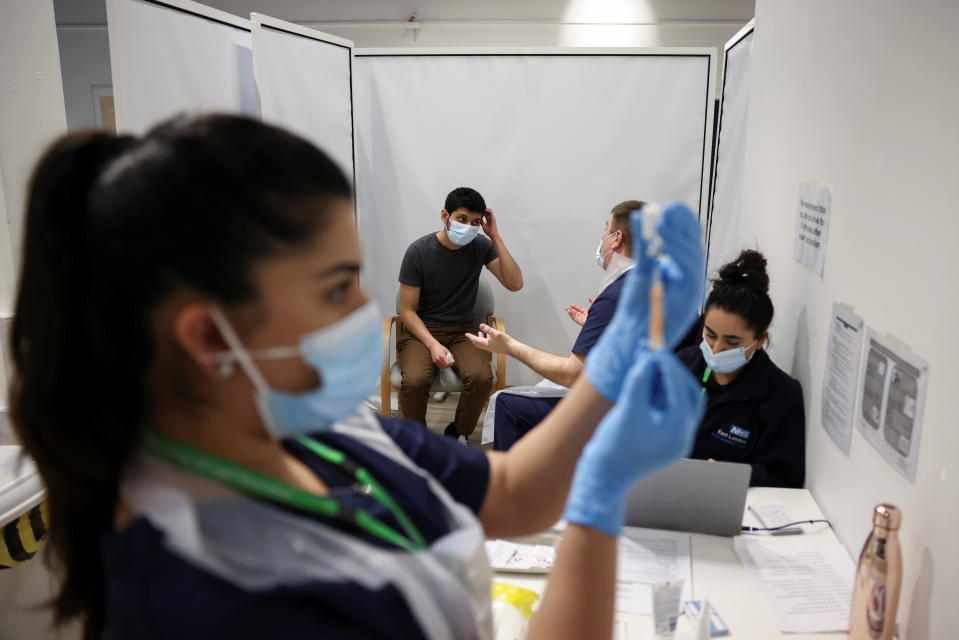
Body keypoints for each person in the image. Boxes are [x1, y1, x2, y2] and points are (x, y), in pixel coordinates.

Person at [10, 114, 705, 639]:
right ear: (208, 333)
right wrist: (598, 506)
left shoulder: (315, 423)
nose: (364, 310)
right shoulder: (207, 592)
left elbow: (512, 493)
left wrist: (606, 391)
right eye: (338, 286)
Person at [466, 200, 646, 451]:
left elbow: (573, 374)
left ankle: (515, 485)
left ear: (616, 239)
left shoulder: (616, 296)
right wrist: (599, 326)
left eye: (605, 230)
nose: (601, 238)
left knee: (506, 402)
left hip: (621, 413)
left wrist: (509, 346)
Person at [397, 187, 523, 442]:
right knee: (415, 380)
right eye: (462, 219)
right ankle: (416, 439)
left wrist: (495, 237)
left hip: (460, 330)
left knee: (481, 378)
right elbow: (406, 311)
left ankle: (457, 432)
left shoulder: (479, 246)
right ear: (445, 215)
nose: (468, 227)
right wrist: (432, 345)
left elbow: (515, 283)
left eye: (475, 222)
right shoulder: (418, 251)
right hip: (420, 330)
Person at [676, 250, 806, 488]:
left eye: (732, 342)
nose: (716, 349)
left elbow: (785, 478)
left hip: (729, 504)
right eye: (710, 335)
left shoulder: (780, 395)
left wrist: (732, 475)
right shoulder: (682, 366)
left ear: (760, 339)